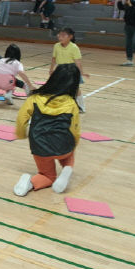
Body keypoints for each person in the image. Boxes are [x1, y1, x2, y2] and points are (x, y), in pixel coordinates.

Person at [13, 64, 81, 196]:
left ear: (53, 78)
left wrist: (21, 134)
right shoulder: (71, 103)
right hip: (63, 146)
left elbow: (21, 119)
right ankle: (67, 169)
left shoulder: (34, 98)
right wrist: (74, 144)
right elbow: (75, 130)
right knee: (69, 155)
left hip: (39, 147)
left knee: (47, 176)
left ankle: (30, 183)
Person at [50, 27, 89, 113]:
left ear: (70, 37)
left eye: (63, 35)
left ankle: (81, 107)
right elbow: (54, 58)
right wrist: (51, 70)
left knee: (75, 89)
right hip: (60, 70)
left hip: (72, 70)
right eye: (59, 35)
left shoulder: (74, 47)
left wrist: (81, 73)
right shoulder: (56, 46)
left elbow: (78, 62)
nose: (60, 37)